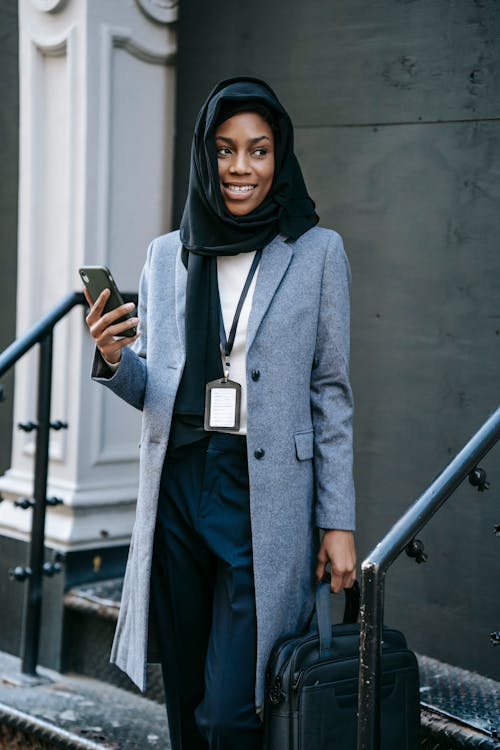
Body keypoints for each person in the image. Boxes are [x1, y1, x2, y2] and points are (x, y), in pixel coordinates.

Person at [84, 77, 356, 750]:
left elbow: (331, 392)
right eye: (225, 150)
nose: (240, 168)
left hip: (261, 496)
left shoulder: (318, 252)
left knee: (233, 711)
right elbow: (158, 387)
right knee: (184, 692)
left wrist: (338, 521)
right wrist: (114, 357)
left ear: (279, 155)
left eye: (258, 151)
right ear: (206, 156)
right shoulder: (165, 255)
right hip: (179, 483)